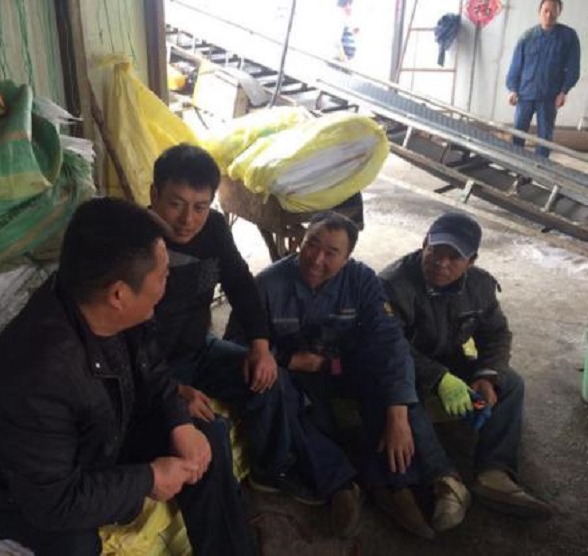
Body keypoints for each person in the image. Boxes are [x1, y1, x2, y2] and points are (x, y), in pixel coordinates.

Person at [0, 198, 256, 556]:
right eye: (162, 276)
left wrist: (178, 422)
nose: (167, 283)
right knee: (76, 544)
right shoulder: (37, 377)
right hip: (11, 492)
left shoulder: (107, 300)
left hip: (100, 433)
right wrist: (149, 478)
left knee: (205, 435)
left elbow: (152, 367)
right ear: (119, 294)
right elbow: (54, 502)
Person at [229, 211, 469, 539]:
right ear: (300, 241)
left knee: (388, 371)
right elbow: (235, 343)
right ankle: (341, 483)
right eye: (311, 244)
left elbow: (390, 342)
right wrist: (285, 358)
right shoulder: (269, 284)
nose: (316, 259)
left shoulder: (362, 281)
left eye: (331, 253)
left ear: (347, 258)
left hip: (344, 368)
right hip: (295, 374)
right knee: (275, 389)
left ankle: (394, 486)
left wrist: (398, 412)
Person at [149, 143, 336, 510]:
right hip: (153, 368)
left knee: (270, 378)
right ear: (154, 194)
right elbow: (120, 342)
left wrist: (260, 345)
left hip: (199, 348)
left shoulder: (214, 228)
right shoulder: (135, 243)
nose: (188, 219)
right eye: (176, 203)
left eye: (200, 206)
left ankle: (270, 471)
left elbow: (239, 282)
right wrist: (172, 390)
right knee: (209, 434)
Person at [380, 211, 554, 518]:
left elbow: (496, 334)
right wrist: (439, 378)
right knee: (404, 398)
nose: (441, 263)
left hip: (449, 357)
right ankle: (445, 479)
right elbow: (389, 345)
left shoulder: (480, 285)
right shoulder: (391, 284)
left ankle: (493, 472)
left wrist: (486, 376)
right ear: (424, 243)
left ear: (471, 261)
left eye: (454, 257)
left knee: (511, 383)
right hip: (403, 364)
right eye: (436, 251)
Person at [506, 0, 580, 158]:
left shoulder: (568, 37)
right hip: (525, 94)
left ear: (559, 12)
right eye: (545, 10)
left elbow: (573, 67)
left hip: (549, 96)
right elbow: (516, 65)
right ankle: (514, 165)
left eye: (553, 11)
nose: (549, 15)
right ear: (539, 11)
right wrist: (512, 89)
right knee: (518, 133)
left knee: (545, 138)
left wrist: (563, 91)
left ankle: (539, 168)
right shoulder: (527, 37)